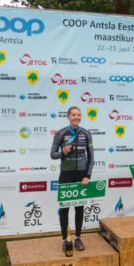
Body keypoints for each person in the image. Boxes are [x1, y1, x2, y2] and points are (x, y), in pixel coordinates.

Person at [50, 106, 94, 252]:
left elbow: (91, 158)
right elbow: (52, 154)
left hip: (81, 176)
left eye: (78, 115)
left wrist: (87, 176)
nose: (76, 117)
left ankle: (78, 238)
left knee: (79, 207)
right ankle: (65, 239)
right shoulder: (61, 133)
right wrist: (62, 152)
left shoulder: (86, 134)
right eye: (73, 115)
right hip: (66, 175)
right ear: (68, 117)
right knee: (64, 208)